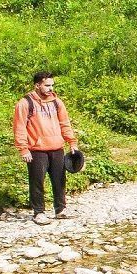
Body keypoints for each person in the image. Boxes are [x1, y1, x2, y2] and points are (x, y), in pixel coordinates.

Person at [13, 72, 79, 226]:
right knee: (37, 181)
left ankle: (60, 210)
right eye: (47, 85)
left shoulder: (57, 102)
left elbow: (65, 124)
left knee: (59, 180)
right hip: (36, 149)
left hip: (57, 147)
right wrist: (23, 149)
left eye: (52, 85)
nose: (51, 88)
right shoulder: (24, 103)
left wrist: (72, 142)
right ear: (37, 85)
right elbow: (19, 127)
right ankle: (39, 212)